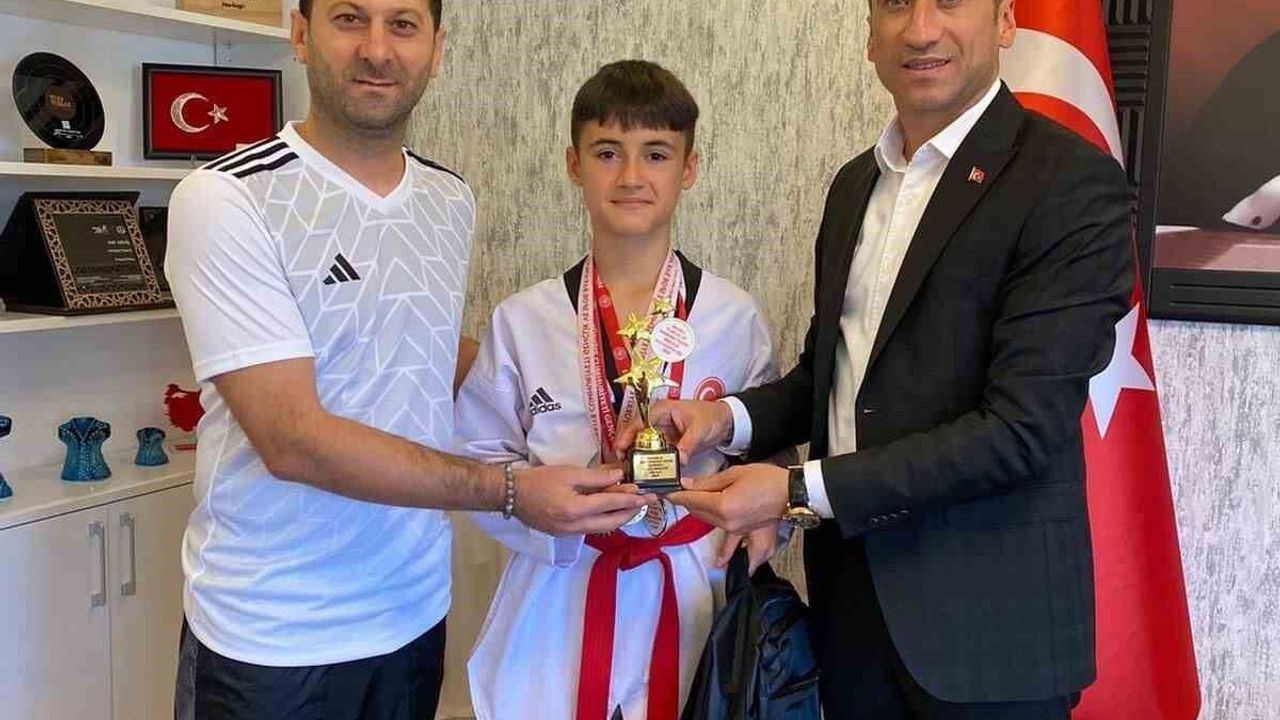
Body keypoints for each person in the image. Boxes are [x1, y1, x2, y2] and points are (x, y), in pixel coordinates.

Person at [623, 0, 1135, 717]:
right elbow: (830, 381)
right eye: (896, 3)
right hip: (852, 617)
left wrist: (794, 489)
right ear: (869, 35)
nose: (920, 29)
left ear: (1005, 21)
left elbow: (1021, 430)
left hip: (992, 639)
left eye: (949, 1)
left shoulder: (1069, 183)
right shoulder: (853, 186)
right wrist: (723, 420)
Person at [164, 2, 646, 719]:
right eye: (349, 18)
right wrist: (510, 490)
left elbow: (424, 347)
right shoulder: (227, 199)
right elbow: (292, 438)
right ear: (301, 35)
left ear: (436, 47)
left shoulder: (449, 199)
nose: (377, 49)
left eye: (403, 25)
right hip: (273, 631)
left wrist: (587, 400)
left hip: (413, 611)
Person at [454, 60, 783, 720]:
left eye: (656, 153)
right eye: (608, 152)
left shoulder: (733, 315)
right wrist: (546, 512)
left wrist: (763, 516)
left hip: (692, 585)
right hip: (560, 588)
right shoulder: (523, 319)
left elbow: (768, 445)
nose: (631, 176)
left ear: (688, 168)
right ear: (574, 165)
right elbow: (476, 462)